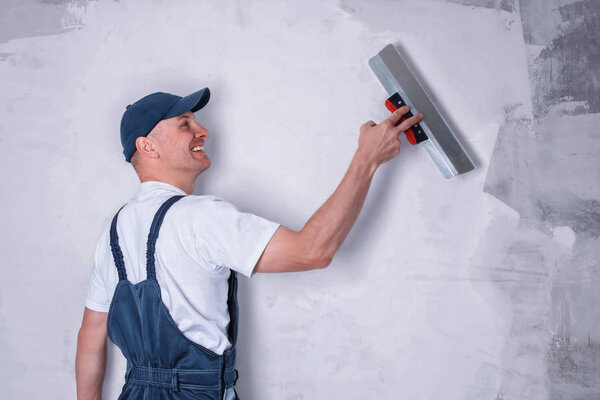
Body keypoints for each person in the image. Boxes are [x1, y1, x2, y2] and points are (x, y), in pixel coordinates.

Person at [75, 87, 423, 400]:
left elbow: (91, 338)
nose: (203, 131)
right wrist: (367, 160)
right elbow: (313, 252)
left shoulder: (113, 232)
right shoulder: (200, 217)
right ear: (146, 146)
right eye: (184, 124)